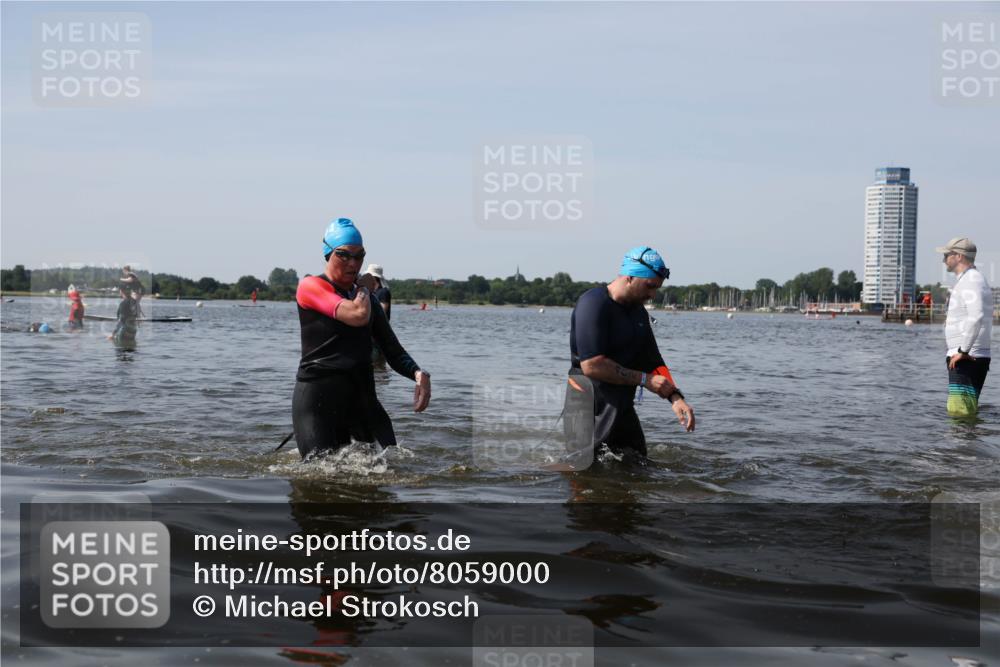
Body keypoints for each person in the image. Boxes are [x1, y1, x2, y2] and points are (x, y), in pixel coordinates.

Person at [292, 217, 431, 459]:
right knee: (320, 481)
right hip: (319, 402)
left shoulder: (368, 300)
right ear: (328, 253)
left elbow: (393, 350)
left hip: (363, 400)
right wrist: (365, 288)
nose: (353, 263)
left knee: (391, 464)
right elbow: (356, 315)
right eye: (344, 255)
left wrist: (418, 374)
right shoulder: (310, 287)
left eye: (359, 256)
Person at [569, 246, 695, 463]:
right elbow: (592, 365)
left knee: (639, 465)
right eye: (649, 286)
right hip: (589, 404)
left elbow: (653, 361)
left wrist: (675, 397)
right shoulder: (594, 303)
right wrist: (644, 380)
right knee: (585, 476)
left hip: (622, 406)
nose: (652, 295)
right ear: (629, 277)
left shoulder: (638, 312)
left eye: (656, 289)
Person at [936, 237, 992, 417]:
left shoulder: (972, 280)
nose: (943, 259)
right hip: (967, 356)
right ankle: (968, 445)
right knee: (964, 413)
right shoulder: (969, 279)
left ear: (959, 256)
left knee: (960, 415)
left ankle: (961, 446)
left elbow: (976, 317)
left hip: (967, 358)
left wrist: (963, 351)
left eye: (947, 254)